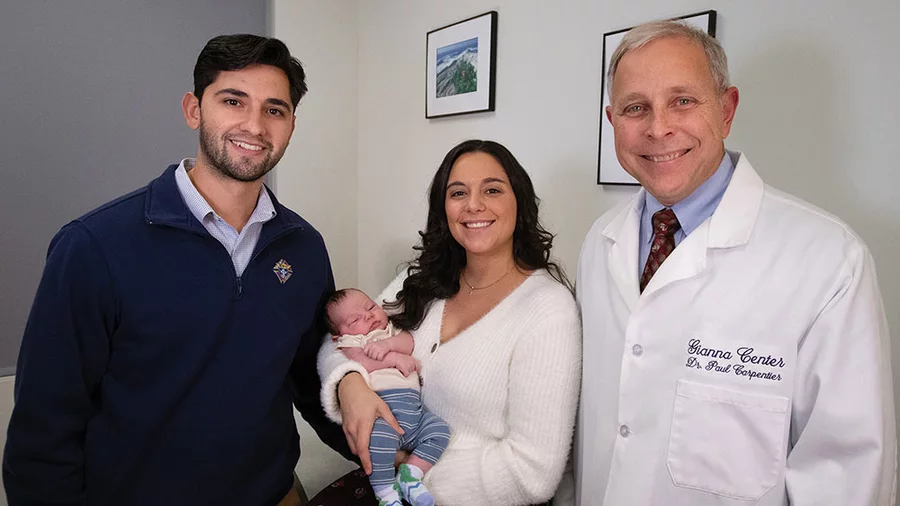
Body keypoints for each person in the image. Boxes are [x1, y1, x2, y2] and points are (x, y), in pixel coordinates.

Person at [3, 34, 352, 505]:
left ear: (291, 125)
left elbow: (314, 384)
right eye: (233, 100)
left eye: (275, 109)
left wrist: (390, 448)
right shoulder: (93, 246)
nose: (254, 125)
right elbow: (43, 434)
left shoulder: (304, 247)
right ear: (194, 110)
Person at [576, 20, 896, 505]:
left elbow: (849, 477)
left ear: (726, 110)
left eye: (682, 100)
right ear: (612, 121)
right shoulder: (599, 245)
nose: (658, 127)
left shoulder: (830, 261)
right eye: (635, 107)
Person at [317, 140, 582, 505]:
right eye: (458, 192)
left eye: (492, 189)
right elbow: (340, 336)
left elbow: (531, 473)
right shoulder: (420, 278)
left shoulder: (548, 310)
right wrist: (349, 384)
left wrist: (410, 473)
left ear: (518, 201)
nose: (474, 204)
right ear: (443, 208)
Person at [324, 288, 450, 506]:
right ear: (339, 335)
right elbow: (358, 363)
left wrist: (388, 345)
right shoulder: (351, 343)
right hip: (383, 413)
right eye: (355, 319)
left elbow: (409, 342)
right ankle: (385, 494)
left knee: (440, 431)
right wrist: (392, 359)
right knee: (377, 447)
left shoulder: (390, 329)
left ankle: (411, 473)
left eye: (371, 307)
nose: (369, 316)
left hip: (416, 413)